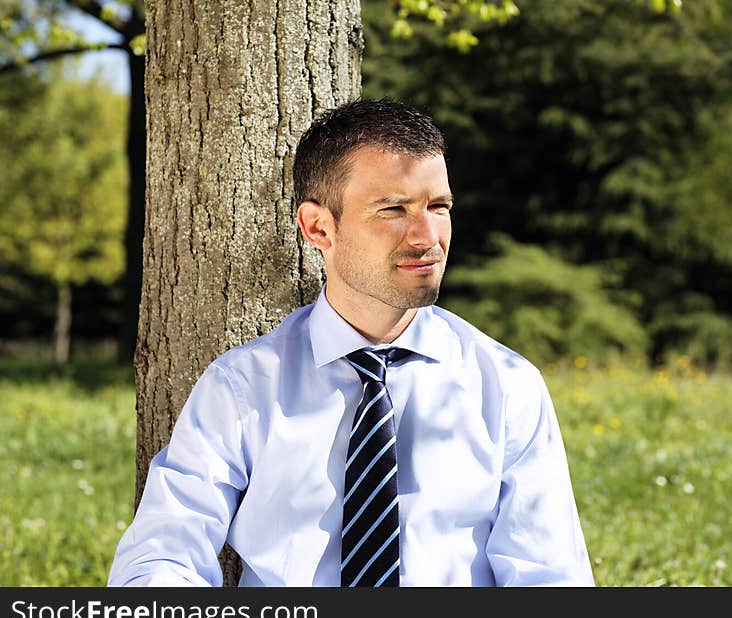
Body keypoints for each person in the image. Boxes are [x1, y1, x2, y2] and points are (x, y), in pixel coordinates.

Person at [107, 98, 594, 587]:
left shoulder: (506, 386)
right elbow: (162, 557)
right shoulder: (243, 389)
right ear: (319, 227)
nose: (427, 236)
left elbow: (551, 579)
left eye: (439, 207)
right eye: (394, 210)